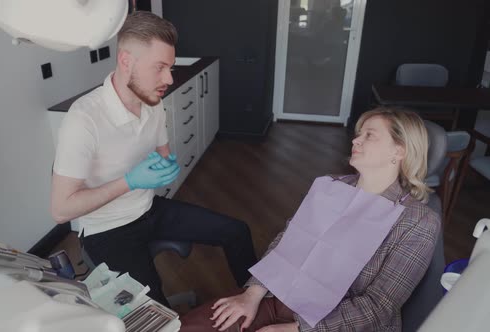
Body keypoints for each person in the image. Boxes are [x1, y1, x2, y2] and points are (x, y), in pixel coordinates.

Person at [50, 11, 257, 306]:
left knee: (238, 231)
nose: (169, 78)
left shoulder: (152, 104)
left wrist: (166, 163)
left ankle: (255, 300)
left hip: (149, 210)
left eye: (170, 67)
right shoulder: (83, 119)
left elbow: (163, 151)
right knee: (156, 313)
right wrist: (130, 181)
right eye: (160, 67)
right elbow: (60, 210)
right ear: (126, 61)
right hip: (107, 230)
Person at [180, 107, 441, 331]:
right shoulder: (333, 186)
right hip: (281, 295)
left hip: (338, 323)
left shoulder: (418, 221)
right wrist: (252, 294)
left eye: (369, 136)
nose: (356, 141)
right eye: (358, 134)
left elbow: (379, 306)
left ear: (399, 151)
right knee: (190, 326)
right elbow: (286, 240)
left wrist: (297, 329)